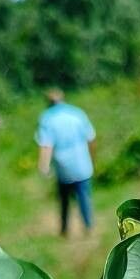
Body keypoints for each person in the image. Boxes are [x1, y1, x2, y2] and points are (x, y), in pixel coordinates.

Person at [35, 88, 96, 236]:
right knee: (84, 197)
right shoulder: (77, 113)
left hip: (63, 168)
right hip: (82, 163)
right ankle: (88, 226)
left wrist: (43, 165)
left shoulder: (47, 118)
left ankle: (64, 229)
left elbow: (46, 144)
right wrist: (93, 159)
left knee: (64, 200)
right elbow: (91, 138)